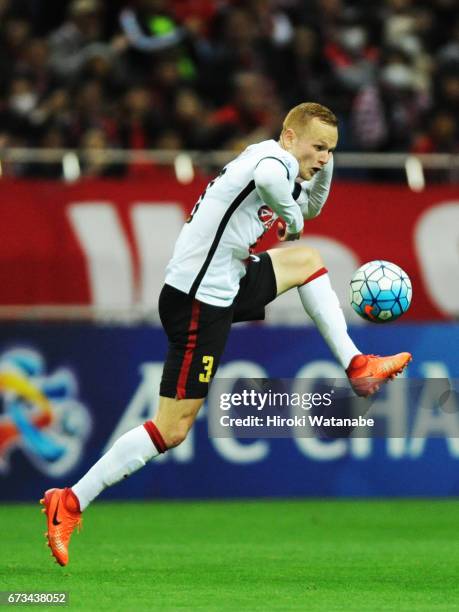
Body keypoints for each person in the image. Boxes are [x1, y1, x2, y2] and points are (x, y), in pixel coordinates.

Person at [40, 102, 411, 566]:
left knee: (308, 261)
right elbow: (275, 186)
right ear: (290, 136)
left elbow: (309, 205)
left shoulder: (282, 160)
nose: (322, 156)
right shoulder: (272, 160)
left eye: (331, 150)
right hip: (198, 303)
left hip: (226, 282)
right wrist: (290, 218)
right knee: (172, 429)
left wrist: (322, 173)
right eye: (318, 147)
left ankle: (358, 365)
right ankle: (69, 502)